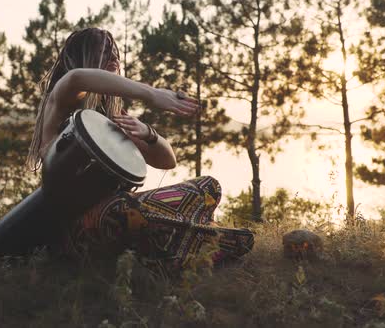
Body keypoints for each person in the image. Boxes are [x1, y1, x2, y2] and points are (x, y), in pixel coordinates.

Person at [26, 28, 253, 275]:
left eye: (115, 53)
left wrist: (148, 134)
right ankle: (197, 247)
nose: (113, 57)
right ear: (82, 57)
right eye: (103, 52)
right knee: (125, 211)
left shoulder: (111, 118)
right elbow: (77, 78)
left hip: (123, 211)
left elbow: (168, 161)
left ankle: (192, 243)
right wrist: (151, 94)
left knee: (208, 186)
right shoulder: (62, 98)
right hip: (78, 228)